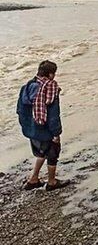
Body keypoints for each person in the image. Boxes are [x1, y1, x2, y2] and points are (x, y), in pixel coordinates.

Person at [17, 60, 70, 191]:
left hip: (31, 130)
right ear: (51, 74)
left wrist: (28, 128)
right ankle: (52, 182)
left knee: (41, 153)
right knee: (52, 154)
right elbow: (53, 116)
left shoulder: (28, 86)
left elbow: (20, 110)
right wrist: (56, 133)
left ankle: (33, 179)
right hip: (45, 130)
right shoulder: (50, 89)